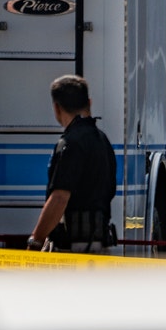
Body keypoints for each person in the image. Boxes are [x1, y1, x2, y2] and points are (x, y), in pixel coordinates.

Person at [26, 75, 117, 253]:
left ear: (57, 108)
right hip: (101, 243)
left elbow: (59, 198)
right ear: (89, 102)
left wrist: (36, 241)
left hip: (74, 249)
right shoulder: (102, 140)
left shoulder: (70, 144)